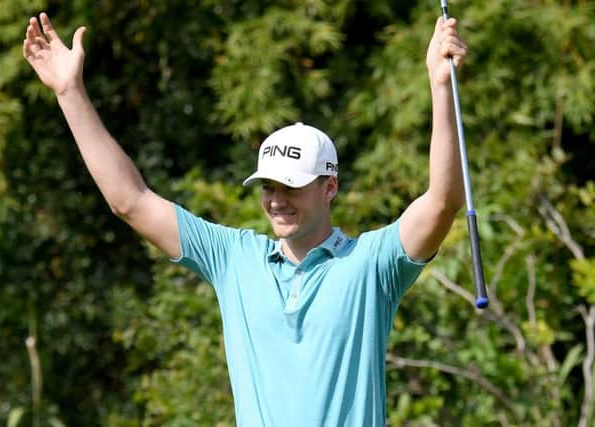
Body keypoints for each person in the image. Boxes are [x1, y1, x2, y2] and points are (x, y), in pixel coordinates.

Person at [23, 11, 467, 427]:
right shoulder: (234, 258)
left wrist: (440, 86)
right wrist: (69, 93)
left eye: (291, 186)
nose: (276, 200)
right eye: (269, 187)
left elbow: (442, 201)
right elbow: (131, 201)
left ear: (329, 187)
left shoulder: (372, 263)